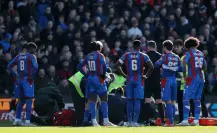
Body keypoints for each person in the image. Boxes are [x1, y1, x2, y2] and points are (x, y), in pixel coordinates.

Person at [116, 40, 154, 126]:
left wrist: (124, 75)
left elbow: (117, 65)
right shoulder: (143, 56)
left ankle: (129, 121)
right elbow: (151, 67)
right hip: (139, 80)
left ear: (132, 46)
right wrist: (146, 76)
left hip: (129, 79)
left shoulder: (126, 55)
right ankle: (135, 122)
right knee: (137, 100)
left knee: (129, 100)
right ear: (140, 47)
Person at [77, 41, 115, 126]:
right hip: (98, 78)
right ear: (99, 47)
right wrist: (103, 76)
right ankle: (106, 120)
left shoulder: (87, 56)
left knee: (92, 101)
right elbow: (104, 67)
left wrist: (87, 74)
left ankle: (94, 121)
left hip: (90, 79)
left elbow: (79, 66)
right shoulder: (100, 55)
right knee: (104, 99)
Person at [178, 37, 207, 126]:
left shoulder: (189, 53)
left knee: (186, 98)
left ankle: (185, 120)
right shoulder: (201, 54)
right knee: (197, 99)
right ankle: (196, 121)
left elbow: (183, 64)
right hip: (201, 78)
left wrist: (185, 74)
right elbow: (205, 66)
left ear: (188, 45)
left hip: (192, 78)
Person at [7, 42, 38, 126]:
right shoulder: (31, 56)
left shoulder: (18, 56)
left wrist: (15, 74)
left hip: (19, 80)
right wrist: (32, 76)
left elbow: (9, 66)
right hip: (27, 80)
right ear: (30, 48)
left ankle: (17, 119)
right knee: (29, 100)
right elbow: (35, 67)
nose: (35, 51)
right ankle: (27, 122)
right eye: (34, 49)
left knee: (21, 100)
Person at [155, 40, 183, 127]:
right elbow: (181, 68)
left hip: (166, 80)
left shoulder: (165, 56)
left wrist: (164, 65)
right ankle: (172, 122)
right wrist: (174, 69)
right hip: (174, 80)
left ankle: (170, 122)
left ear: (165, 47)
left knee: (167, 101)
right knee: (173, 102)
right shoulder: (177, 57)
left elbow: (156, 65)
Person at [143, 40, 164, 125]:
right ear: (155, 47)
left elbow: (143, 68)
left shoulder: (145, 56)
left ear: (148, 47)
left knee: (147, 100)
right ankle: (162, 120)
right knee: (159, 101)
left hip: (148, 80)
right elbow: (163, 69)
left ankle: (147, 121)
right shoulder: (160, 56)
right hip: (157, 81)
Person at [173, 39, 185, 123]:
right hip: (176, 83)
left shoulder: (185, 56)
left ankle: (186, 119)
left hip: (185, 83)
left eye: (178, 47)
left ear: (182, 47)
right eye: (175, 47)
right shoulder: (172, 56)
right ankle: (181, 119)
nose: (176, 48)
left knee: (185, 102)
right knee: (179, 102)